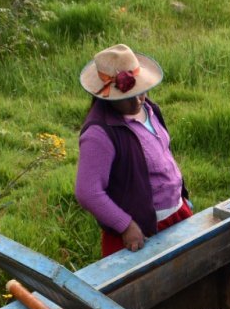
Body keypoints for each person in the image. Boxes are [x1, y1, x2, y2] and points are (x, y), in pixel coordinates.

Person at [75, 44, 192, 258]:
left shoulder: (149, 110)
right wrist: (125, 225)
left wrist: (181, 197)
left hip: (176, 215)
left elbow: (163, 154)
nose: (139, 100)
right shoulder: (100, 134)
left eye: (141, 91)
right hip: (142, 233)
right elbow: (88, 192)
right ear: (107, 97)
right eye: (129, 97)